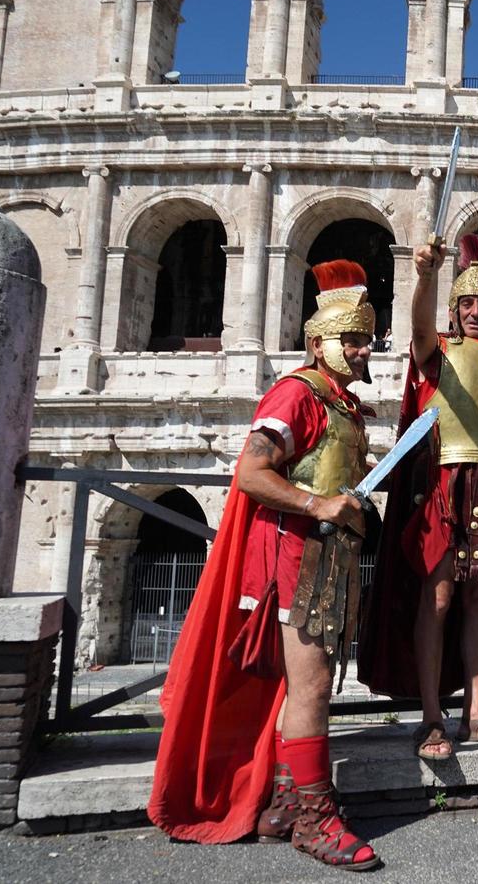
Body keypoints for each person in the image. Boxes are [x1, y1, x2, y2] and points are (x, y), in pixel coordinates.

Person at [148, 260, 381, 870]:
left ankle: (283, 801)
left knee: (304, 685)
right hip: (294, 564)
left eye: (365, 338)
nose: (362, 350)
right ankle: (314, 817)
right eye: (350, 339)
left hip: (325, 560)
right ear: (317, 341)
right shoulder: (296, 393)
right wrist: (321, 501)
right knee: (310, 689)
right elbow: (252, 474)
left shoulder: (341, 404)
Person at [357, 234, 478, 760]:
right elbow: (414, 326)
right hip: (445, 487)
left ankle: (476, 711)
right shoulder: (438, 349)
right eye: (468, 305)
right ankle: (432, 716)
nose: (476, 312)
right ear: (455, 312)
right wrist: (427, 275)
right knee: (438, 599)